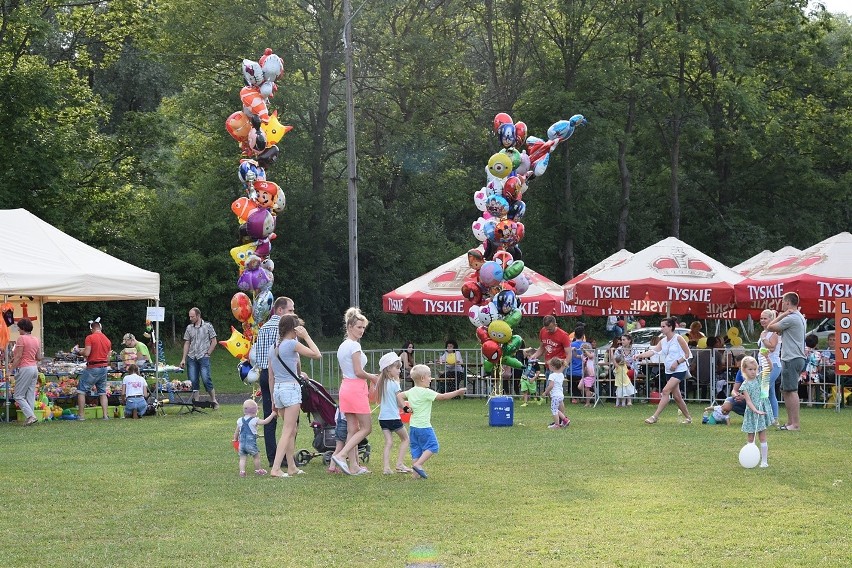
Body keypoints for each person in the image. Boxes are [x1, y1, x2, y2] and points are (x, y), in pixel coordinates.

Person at [269, 314, 321, 478]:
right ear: (294, 328)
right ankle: (276, 468)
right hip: (290, 390)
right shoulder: (292, 344)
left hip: (278, 390)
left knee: (291, 430)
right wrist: (306, 336)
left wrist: (272, 399)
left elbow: (271, 375)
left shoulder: (274, 347)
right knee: (288, 430)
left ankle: (291, 466)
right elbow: (317, 354)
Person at [396, 364, 466, 479]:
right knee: (433, 446)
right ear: (423, 378)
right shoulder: (426, 392)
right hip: (424, 427)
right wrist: (458, 392)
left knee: (416, 450)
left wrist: (405, 408)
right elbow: (443, 397)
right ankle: (418, 465)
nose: (431, 378)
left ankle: (415, 475)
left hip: (413, 427)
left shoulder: (411, 391)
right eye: (429, 376)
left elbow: (399, 396)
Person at [331, 308, 378, 476]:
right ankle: (342, 455)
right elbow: (358, 371)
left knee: (353, 429)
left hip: (346, 387)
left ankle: (354, 466)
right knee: (366, 428)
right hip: (356, 388)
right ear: (350, 327)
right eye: (359, 327)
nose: (362, 331)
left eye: (363, 327)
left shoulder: (343, 346)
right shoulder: (354, 346)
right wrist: (373, 377)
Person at [253, 296, 295, 467]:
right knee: (290, 420)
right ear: (280, 310)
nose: (293, 313)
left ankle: (272, 457)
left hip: (264, 374)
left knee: (270, 416)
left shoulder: (263, 329)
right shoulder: (284, 328)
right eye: (290, 310)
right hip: (281, 377)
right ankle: (286, 457)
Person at [636, 316, 693, 425]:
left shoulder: (678, 338)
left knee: (665, 391)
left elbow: (687, 354)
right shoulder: (663, 341)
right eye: (661, 326)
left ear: (670, 327)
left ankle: (655, 416)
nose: (661, 328)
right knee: (677, 397)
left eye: (663, 326)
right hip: (668, 370)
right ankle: (688, 418)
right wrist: (640, 355)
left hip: (679, 369)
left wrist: (677, 362)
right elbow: (654, 351)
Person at [766, 292, 806, 431]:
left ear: (788, 303)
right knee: (786, 390)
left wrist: (782, 314)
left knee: (791, 390)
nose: (782, 304)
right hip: (795, 357)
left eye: (783, 302)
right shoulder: (799, 317)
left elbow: (770, 327)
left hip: (791, 357)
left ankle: (794, 424)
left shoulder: (791, 318)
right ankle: (790, 423)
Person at [376, 352, 413, 475]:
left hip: (383, 418)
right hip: (393, 418)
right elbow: (400, 400)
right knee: (405, 439)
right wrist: (407, 409)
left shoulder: (381, 383)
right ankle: (399, 464)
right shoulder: (394, 384)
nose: (399, 370)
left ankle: (386, 468)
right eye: (397, 368)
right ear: (388, 369)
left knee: (389, 443)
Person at [179, 307, 219, 409]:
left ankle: (213, 400)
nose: (190, 318)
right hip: (191, 357)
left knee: (206, 379)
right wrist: (183, 358)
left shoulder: (208, 326)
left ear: (198, 316)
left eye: (192, 316)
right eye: (189, 316)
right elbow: (187, 342)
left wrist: (208, 353)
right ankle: (196, 403)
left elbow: (214, 341)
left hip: (203, 356)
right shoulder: (189, 328)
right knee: (193, 381)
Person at [739, 356, 773, 467]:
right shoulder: (745, 385)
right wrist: (755, 410)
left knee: (762, 436)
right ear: (744, 370)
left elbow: (770, 368)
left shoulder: (759, 379)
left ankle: (764, 461)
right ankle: (750, 458)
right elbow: (748, 401)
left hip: (761, 409)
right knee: (750, 437)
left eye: (755, 369)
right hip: (752, 412)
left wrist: (767, 358)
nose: (753, 372)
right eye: (750, 369)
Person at [75, 319, 112, 421]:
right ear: (100, 328)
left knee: (81, 390)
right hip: (104, 368)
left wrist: (78, 351)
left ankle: (81, 415)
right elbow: (108, 358)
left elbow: (87, 353)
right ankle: (105, 415)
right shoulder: (107, 340)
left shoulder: (90, 337)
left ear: (92, 329)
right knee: (102, 392)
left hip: (93, 368)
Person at [233, 399, 276, 477]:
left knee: (242, 458)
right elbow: (265, 421)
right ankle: (258, 470)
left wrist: (235, 439)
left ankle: (242, 471)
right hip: (251, 443)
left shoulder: (240, 420)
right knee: (256, 456)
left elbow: (236, 432)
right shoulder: (255, 420)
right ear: (255, 411)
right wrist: (273, 414)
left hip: (242, 443)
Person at [10, 318, 41, 426]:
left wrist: (10, 370)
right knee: (30, 394)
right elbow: (39, 357)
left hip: (25, 368)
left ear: (23, 328)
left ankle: (31, 416)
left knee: (18, 395)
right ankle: (31, 418)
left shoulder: (21, 339)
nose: (18, 330)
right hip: (34, 368)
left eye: (19, 328)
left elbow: (18, 356)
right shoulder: (36, 339)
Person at [757, 309, 782, 424]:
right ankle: (774, 418)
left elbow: (771, 347)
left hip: (773, 365)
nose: (762, 320)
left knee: (763, 390)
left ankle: (764, 415)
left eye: (765, 318)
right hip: (763, 365)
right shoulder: (764, 333)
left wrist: (763, 338)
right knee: (770, 392)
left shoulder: (774, 333)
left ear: (771, 319)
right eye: (761, 318)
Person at [542, 357, 570, 429]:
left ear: (553, 367)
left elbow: (551, 385)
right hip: (560, 395)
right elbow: (562, 367)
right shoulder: (561, 374)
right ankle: (564, 420)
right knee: (556, 409)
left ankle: (557, 424)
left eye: (550, 366)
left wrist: (545, 392)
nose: (549, 367)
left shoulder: (552, 376)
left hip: (555, 396)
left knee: (554, 410)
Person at [801, 334, 822, 407]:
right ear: (816, 344)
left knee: (805, 382)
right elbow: (819, 367)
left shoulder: (802, 351)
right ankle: (810, 400)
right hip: (813, 374)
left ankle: (802, 399)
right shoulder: (818, 354)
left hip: (802, 374)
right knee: (813, 384)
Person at [578, 342, 596, 407]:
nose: (584, 352)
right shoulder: (583, 356)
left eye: (585, 350)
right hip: (584, 375)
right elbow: (576, 356)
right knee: (580, 386)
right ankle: (591, 394)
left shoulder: (592, 354)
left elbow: (590, 356)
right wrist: (574, 350)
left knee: (587, 389)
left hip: (590, 374)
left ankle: (588, 403)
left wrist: (586, 350)